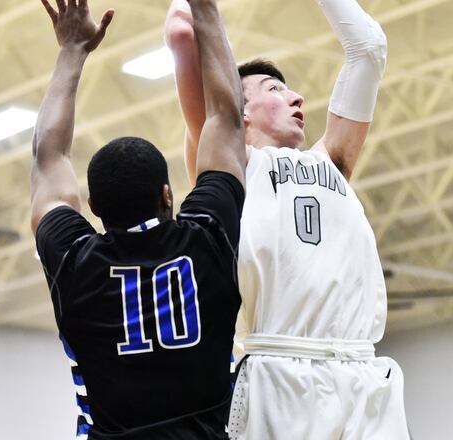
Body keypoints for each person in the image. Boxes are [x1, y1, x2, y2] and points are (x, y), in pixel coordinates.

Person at [165, 0, 410, 438]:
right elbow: (182, 31)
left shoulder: (333, 159)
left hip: (363, 373)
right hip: (278, 377)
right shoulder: (230, 164)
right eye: (274, 90)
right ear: (238, 111)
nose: (296, 97)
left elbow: (369, 47)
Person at [32, 0, 247, 437]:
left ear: (92, 205)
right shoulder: (207, 240)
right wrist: (203, 8)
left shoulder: (74, 264)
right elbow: (227, 118)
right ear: (167, 194)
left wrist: (72, 50)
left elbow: (48, 156)